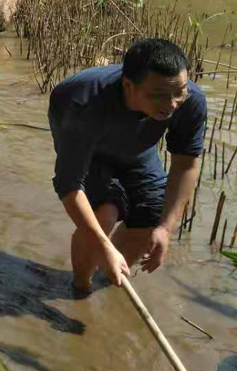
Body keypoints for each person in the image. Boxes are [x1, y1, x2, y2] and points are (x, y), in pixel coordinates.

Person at [48, 38, 206, 295]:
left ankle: (107, 280)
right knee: (105, 213)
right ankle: (80, 288)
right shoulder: (83, 104)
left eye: (179, 92)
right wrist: (103, 245)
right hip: (88, 140)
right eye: (159, 96)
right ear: (128, 85)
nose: (171, 104)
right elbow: (68, 186)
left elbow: (185, 164)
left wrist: (166, 229)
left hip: (137, 145)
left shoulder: (190, 100)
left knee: (153, 216)